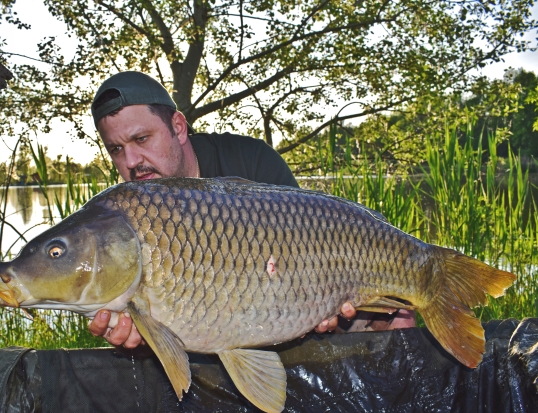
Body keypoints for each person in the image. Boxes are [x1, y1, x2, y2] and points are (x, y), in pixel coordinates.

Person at [87, 71, 415, 348]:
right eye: (116, 149)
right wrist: (146, 341)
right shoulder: (123, 220)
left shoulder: (252, 161)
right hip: (211, 343)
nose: (131, 162)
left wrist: (323, 301)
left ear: (178, 126)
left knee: (398, 318)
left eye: (142, 139)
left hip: (292, 314)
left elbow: (313, 244)